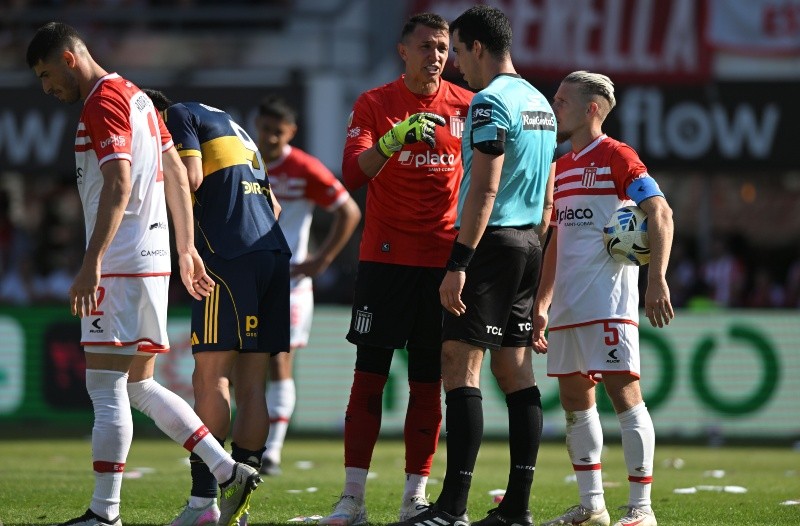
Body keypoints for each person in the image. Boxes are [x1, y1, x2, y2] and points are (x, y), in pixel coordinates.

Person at [26, 22, 261, 526]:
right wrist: (185, 250)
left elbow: (118, 181)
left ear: (69, 59)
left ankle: (104, 512)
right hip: (150, 262)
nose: (47, 89)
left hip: (120, 263)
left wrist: (91, 262)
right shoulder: (136, 96)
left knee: (103, 388)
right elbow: (176, 173)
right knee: (138, 387)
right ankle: (227, 471)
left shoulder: (103, 100)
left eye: (47, 75)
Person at [392, 6, 556, 526]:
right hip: (530, 240)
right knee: (514, 371)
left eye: (458, 49)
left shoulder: (489, 103)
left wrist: (459, 262)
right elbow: (549, 197)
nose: (455, 63)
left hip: (491, 243)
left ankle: (452, 508)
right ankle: (517, 508)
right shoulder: (540, 103)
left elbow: (484, 189)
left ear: (478, 47)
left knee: (459, 365)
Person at [319, 12, 473, 526]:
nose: (437, 56)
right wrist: (391, 142)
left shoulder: (467, 106)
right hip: (383, 260)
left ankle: (415, 498)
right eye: (427, 46)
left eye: (444, 47)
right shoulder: (375, 103)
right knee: (369, 378)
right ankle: (352, 500)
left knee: (428, 385)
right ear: (402, 51)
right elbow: (348, 174)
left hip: (441, 264)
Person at [142, 89, 292, 526]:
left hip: (226, 260)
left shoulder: (176, 118)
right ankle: (238, 508)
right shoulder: (228, 123)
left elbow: (188, 177)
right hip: (271, 255)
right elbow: (275, 206)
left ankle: (204, 501)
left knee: (210, 375)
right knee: (252, 385)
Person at [534, 71, 674, 526]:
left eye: (562, 100)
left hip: (608, 299)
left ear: (592, 107)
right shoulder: (561, 163)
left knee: (625, 394)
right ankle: (592, 505)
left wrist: (656, 280)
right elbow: (558, 238)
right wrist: (542, 302)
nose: (556, 107)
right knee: (575, 401)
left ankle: (640, 509)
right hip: (567, 306)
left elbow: (660, 211)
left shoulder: (617, 155)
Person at [254, 95, 361, 476]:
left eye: (276, 133)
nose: (268, 139)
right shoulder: (245, 162)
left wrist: (322, 259)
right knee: (242, 364)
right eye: (264, 130)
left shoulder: (303, 168)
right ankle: (247, 445)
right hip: (246, 279)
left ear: (291, 133)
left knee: (279, 362)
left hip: (287, 282)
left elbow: (349, 210)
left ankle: (272, 453)